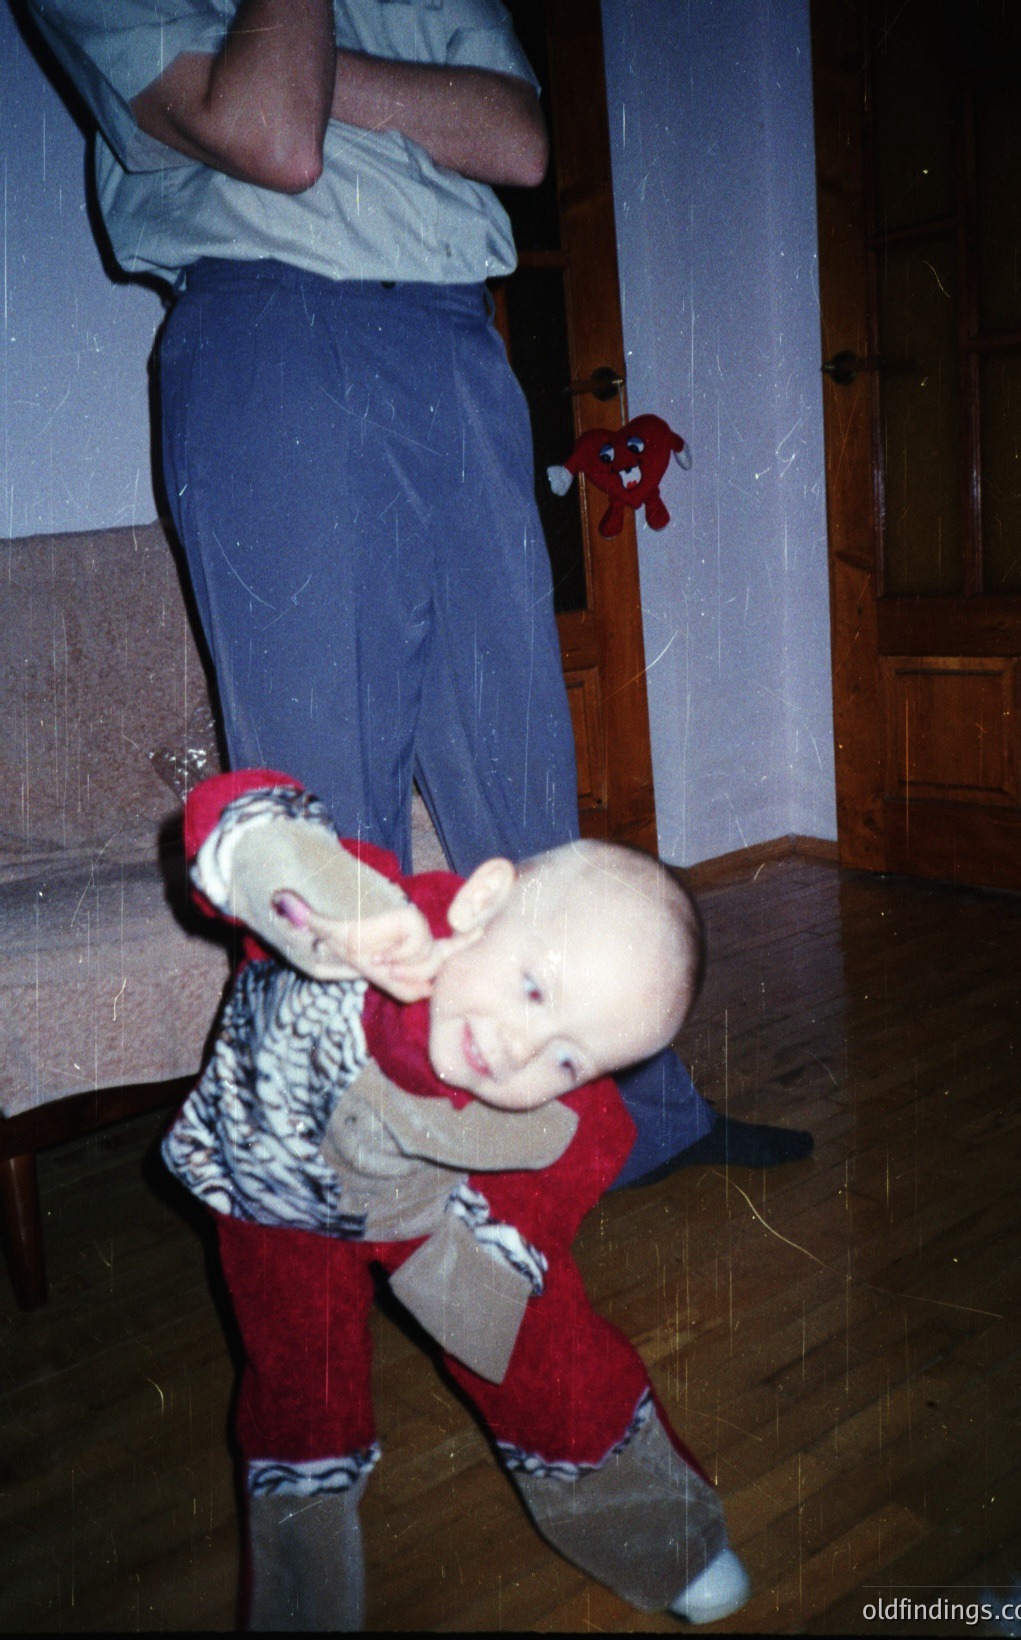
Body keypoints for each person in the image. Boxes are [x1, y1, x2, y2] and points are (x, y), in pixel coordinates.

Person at [28, 0, 812, 1185]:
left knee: (524, 773)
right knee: (327, 818)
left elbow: (518, 140)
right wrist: (385, 96)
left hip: (455, 338)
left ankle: (634, 1123)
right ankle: (360, 1185)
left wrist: (315, 79)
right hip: (271, 325)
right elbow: (272, 135)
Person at [164, 766, 753, 1629]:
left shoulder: (574, 1116)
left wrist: (482, 1274)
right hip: (275, 1193)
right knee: (300, 1398)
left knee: (552, 1361)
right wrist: (329, 903)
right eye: (535, 991)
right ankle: (302, 1603)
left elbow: (563, 1184)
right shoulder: (373, 917)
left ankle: (666, 1536)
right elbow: (234, 818)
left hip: (437, 1212)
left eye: (569, 1057)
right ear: (480, 905)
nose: (520, 1050)